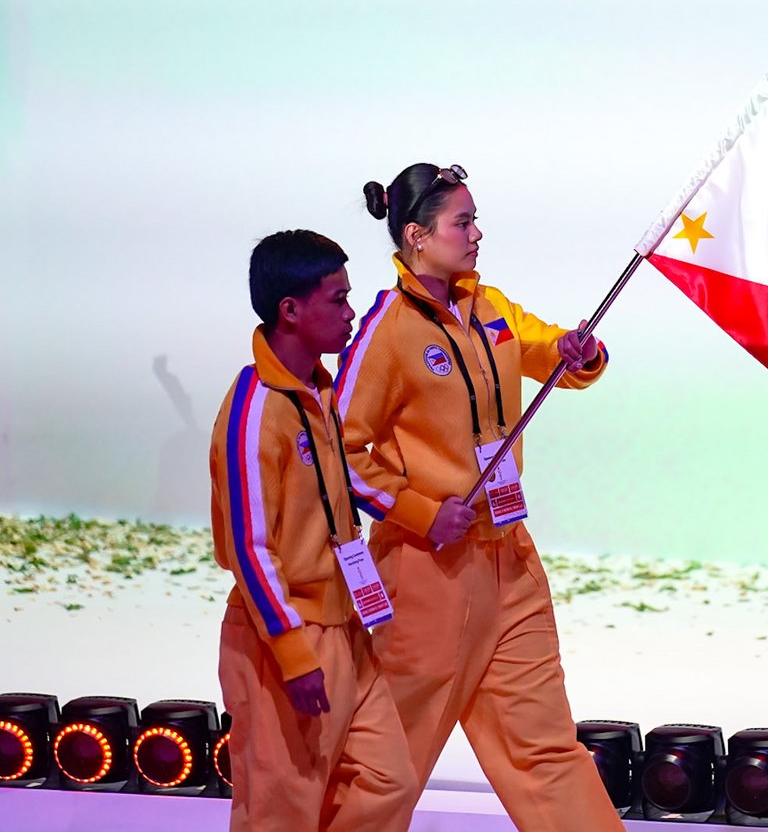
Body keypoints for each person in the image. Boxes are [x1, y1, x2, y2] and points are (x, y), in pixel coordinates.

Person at [335, 163, 622, 830]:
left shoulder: (488, 306)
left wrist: (578, 351)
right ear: (416, 235)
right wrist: (423, 513)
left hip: (510, 564)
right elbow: (340, 452)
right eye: (462, 222)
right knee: (391, 761)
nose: (476, 232)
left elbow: (546, 349)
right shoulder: (387, 330)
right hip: (425, 577)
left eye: (474, 218)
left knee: (546, 752)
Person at [210, 230, 416, 831]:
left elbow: (342, 495)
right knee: (282, 809)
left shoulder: (321, 391)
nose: (351, 313)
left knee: (388, 781)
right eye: (337, 299)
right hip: (284, 639)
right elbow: (250, 551)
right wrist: (294, 655)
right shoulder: (252, 412)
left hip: (346, 628)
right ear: (291, 311)